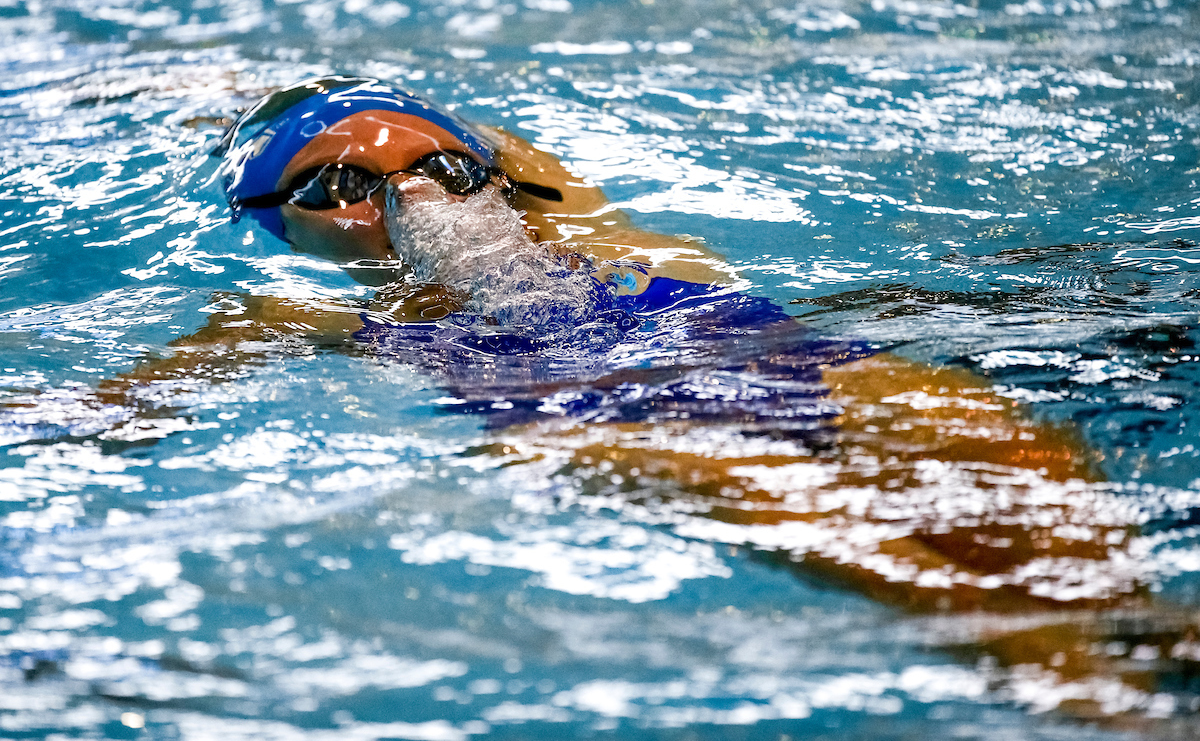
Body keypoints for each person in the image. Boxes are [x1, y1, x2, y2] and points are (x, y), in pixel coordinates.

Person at [75, 75, 1200, 718]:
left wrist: (363, 132)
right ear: (278, 224)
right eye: (342, 187)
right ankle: (1084, 684)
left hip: (765, 351)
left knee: (981, 439)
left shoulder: (594, 225)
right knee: (811, 507)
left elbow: (462, 138)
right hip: (579, 411)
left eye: (439, 169)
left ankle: (1145, 613)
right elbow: (127, 399)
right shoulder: (303, 313)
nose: (403, 193)